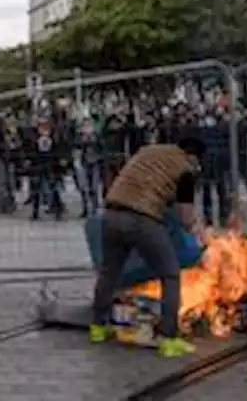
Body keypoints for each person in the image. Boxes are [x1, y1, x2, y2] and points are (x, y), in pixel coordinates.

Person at [89, 137, 206, 358]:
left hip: (111, 215)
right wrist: (198, 231)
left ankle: (98, 327)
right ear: (194, 157)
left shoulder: (148, 151)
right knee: (170, 274)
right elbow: (185, 217)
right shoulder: (186, 171)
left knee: (109, 272)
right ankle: (168, 338)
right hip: (142, 220)